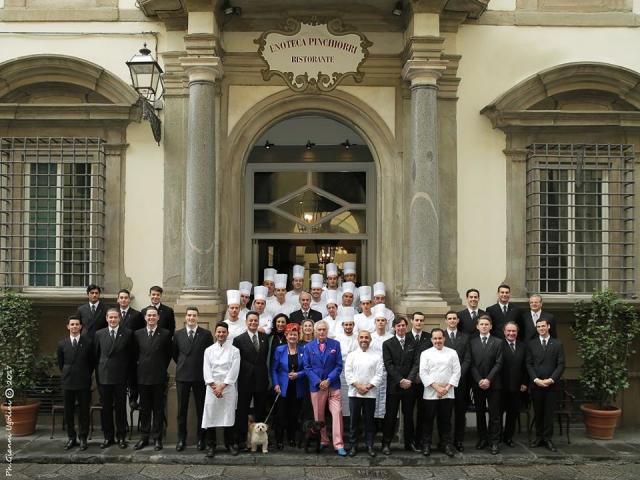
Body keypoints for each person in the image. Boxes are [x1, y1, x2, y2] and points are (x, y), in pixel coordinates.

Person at [303, 320, 347, 456]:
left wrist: (328, 380)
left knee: (337, 413)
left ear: (327, 331)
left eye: (324, 329)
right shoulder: (308, 347)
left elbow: (339, 365)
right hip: (316, 387)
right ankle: (323, 440)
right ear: (315, 331)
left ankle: (339, 444)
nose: (321, 332)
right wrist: (318, 381)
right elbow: (307, 367)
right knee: (319, 416)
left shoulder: (335, 344)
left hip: (333, 385)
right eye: (319, 330)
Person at [172, 306, 213, 452]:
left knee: (201, 409)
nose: (191, 318)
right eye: (189, 315)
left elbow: (209, 355)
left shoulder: (206, 334)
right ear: (185, 317)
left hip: (200, 376)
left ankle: (201, 439)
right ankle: (181, 439)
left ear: (198, 317)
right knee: (181, 410)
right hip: (182, 376)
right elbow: (175, 354)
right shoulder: (178, 334)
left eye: (194, 315)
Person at [133, 306, 172, 451]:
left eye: (154, 315)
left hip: (158, 377)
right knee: (145, 409)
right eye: (149, 315)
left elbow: (168, 355)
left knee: (158, 409)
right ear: (145, 317)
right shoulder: (138, 334)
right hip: (142, 377)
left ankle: (157, 438)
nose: (151, 318)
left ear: (158, 317)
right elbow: (135, 355)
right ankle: (144, 437)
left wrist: (160, 367)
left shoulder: (166, 334)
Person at [418, 328, 460, 457]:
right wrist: (437, 388)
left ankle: (445, 444)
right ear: (431, 340)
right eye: (435, 338)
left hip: (448, 392)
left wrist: (446, 389)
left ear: (444, 338)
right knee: (428, 420)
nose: (438, 341)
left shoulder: (452, 353)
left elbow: (456, 372)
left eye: (440, 338)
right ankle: (426, 444)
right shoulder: (425, 353)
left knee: (445, 421)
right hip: (431, 393)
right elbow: (423, 373)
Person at [94, 308, 133, 449]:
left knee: (121, 409)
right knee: (106, 409)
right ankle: (108, 437)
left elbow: (131, 357)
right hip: (104, 377)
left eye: (115, 317)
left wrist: (129, 378)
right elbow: (96, 356)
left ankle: (121, 436)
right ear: (106, 318)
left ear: (119, 318)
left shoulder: (127, 333)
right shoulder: (99, 334)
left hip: (121, 377)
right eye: (110, 317)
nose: (113, 320)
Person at [202, 322, 241, 457]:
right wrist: (214, 386)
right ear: (215, 333)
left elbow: (234, 371)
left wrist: (223, 386)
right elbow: (206, 370)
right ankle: (211, 446)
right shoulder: (208, 350)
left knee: (228, 416)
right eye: (219, 332)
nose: (221, 334)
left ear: (227, 333)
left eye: (223, 332)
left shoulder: (235, 351)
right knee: (211, 416)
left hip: (228, 388)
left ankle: (229, 444)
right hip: (212, 389)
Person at [526, 317, 565, 452]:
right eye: (538, 327)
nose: (541, 329)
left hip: (551, 386)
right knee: (538, 412)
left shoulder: (557, 344)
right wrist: (536, 380)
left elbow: (561, 365)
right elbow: (529, 364)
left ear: (548, 327)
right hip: (536, 385)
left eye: (543, 326)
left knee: (548, 413)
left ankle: (547, 439)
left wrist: (551, 379)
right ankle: (538, 437)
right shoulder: (531, 344)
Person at [233, 311, 270, 451]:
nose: (253, 323)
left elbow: (264, 357)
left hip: (261, 379)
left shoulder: (264, 337)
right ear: (246, 322)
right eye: (251, 321)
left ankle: (261, 442)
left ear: (258, 321)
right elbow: (238, 361)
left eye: (255, 320)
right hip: (245, 380)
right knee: (242, 411)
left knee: (260, 410)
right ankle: (242, 440)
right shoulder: (239, 339)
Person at [382, 317, 419, 455]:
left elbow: (416, 363)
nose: (401, 328)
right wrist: (400, 380)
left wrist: (409, 379)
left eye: (403, 325)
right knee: (390, 416)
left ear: (406, 326)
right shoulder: (387, 343)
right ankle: (386, 444)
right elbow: (388, 364)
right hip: (394, 385)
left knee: (409, 416)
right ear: (394, 328)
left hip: (410, 386)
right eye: (398, 326)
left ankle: (409, 443)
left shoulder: (413, 342)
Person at [56, 315, 94, 451]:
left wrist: (84, 374)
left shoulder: (88, 342)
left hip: (83, 381)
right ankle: (71, 437)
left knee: (84, 411)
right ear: (68, 326)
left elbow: (91, 364)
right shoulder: (62, 344)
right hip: (68, 382)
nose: (74, 327)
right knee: (68, 411)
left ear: (81, 327)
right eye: (72, 324)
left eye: (77, 324)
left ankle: (83, 438)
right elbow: (61, 364)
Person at [345, 330, 383, 457]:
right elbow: (348, 374)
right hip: (354, 393)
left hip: (370, 393)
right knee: (353, 421)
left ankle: (370, 445)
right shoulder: (351, 355)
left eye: (366, 337)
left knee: (369, 421)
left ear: (370, 340)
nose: (364, 340)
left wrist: (368, 387)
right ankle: (353, 446)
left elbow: (379, 374)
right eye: (361, 337)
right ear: (358, 339)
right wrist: (358, 386)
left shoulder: (377, 356)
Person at [469, 315, 503, 455]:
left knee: (495, 414)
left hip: (494, 384)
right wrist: (479, 380)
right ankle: (483, 438)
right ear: (477, 326)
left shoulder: (498, 342)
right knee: (480, 413)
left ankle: (494, 441)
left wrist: (488, 379)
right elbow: (470, 363)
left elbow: (499, 363)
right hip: (478, 384)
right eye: (481, 324)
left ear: (491, 326)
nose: (484, 326)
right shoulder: (472, 342)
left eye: (486, 324)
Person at [271, 323, 307, 449]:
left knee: (294, 415)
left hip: (297, 388)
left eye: (295, 334)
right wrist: (275, 384)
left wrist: (299, 374)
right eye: (290, 334)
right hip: (282, 388)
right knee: (281, 415)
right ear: (286, 336)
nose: (292, 337)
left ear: (298, 336)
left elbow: (308, 368)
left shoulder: (304, 350)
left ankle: (292, 438)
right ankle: (279, 440)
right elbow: (274, 369)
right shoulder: (279, 350)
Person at [443, 310, 471, 452]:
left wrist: (458, 375)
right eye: (450, 318)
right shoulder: (440, 336)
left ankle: (459, 440)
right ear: (446, 321)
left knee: (460, 412)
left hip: (460, 381)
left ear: (458, 321)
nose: (452, 320)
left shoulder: (465, 337)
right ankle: (445, 441)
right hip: (444, 382)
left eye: (454, 318)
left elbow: (467, 359)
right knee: (446, 413)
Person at [116, 288, 145, 410]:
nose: (123, 300)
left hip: (131, 352)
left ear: (129, 300)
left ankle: (133, 400)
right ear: (118, 300)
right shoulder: (112, 314)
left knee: (132, 377)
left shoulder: (137, 315)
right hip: (116, 353)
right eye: (121, 297)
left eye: (126, 298)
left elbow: (140, 334)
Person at [501, 321, 528, 448]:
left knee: (512, 414)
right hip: (501, 386)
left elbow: (526, 366)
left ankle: (508, 437)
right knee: (497, 414)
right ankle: (496, 437)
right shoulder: (498, 345)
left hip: (517, 387)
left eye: (514, 331)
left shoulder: (523, 346)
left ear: (517, 332)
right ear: (504, 332)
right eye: (509, 331)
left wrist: (524, 382)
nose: (511, 333)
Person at [408, 311, 430, 446]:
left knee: (423, 412)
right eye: (416, 320)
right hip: (409, 381)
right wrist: (411, 377)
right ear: (412, 321)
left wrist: (423, 376)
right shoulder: (405, 336)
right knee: (409, 412)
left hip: (424, 382)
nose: (419, 322)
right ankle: (409, 440)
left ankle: (420, 439)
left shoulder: (428, 338)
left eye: (421, 320)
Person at [369, 305, 392, 425]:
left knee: (385, 398)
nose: (380, 322)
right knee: (373, 397)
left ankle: (383, 423)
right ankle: (373, 422)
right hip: (373, 372)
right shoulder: (370, 337)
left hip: (387, 372)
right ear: (375, 322)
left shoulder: (391, 338)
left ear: (386, 322)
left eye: (383, 320)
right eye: (378, 320)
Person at [335, 315, 358, 419]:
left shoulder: (358, 337)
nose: (348, 327)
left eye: (350, 324)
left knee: (354, 394)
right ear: (342, 325)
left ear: (353, 325)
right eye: (346, 324)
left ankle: (354, 419)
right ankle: (343, 419)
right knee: (342, 394)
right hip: (341, 370)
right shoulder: (337, 338)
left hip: (355, 370)